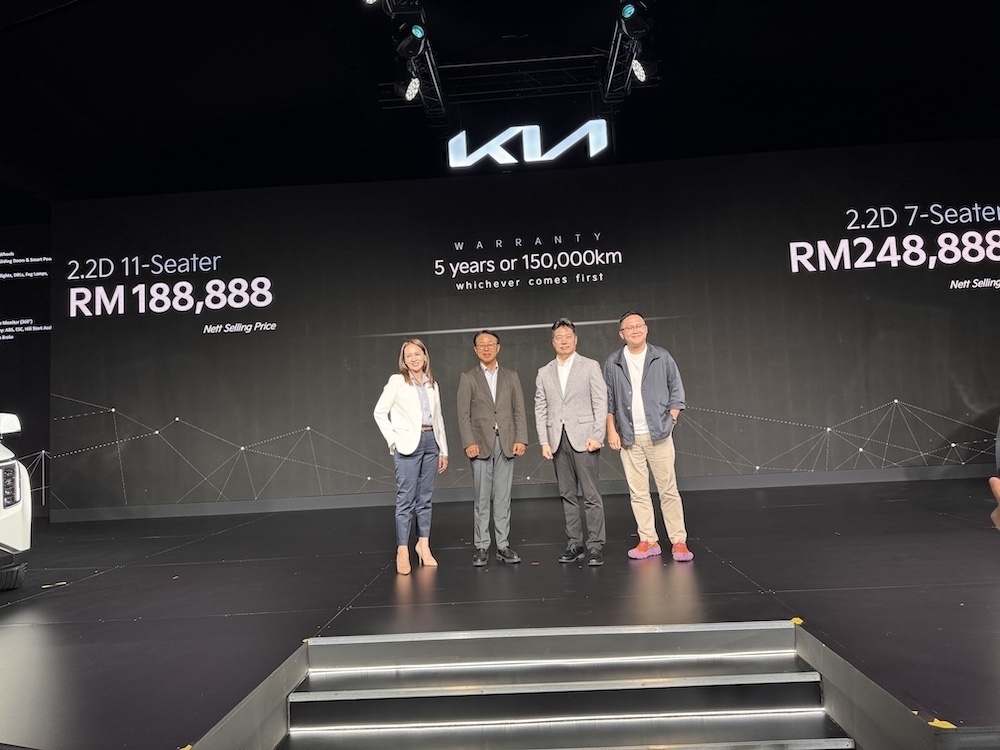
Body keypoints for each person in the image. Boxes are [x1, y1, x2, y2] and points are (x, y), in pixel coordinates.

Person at [604, 311, 694, 562]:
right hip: (628, 436)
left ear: (646, 329)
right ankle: (648, 540)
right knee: (638, 493)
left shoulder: (661, 356)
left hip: (659, 435)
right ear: (621, 334)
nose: (635, 330)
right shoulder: (613, 362)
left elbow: (677, 392)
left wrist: (670, 420)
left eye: (638, 325)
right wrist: (611, 430)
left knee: (668, 491)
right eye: (629, 327)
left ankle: (678, 541)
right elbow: (607, 400)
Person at [534, 318, 608, 566]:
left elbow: (600, 401)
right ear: (553, 342)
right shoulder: (544, 372)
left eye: (568, 337)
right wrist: (544, 441)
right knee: (567, 494)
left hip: (585, 439)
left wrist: (597, 435)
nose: (563, 341)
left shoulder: (590, 366)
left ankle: (595, 546)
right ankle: (574, 544)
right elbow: (540, 408)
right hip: (557, 440)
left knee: (590, 495)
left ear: (575, 340)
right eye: (559, 337)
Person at [373, 339, 448, 575]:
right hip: (408, 445)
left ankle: (423, 546)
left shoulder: (432, 384)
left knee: (425, 498)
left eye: (418, 354)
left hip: (431, 442)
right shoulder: (397, 382)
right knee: (406, 499)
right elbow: (379, 412)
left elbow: (438, 418)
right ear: (403, 360)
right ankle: (402, 550)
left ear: (425, 357)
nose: (414, 359)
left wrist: (443, 450)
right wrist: (393, 440)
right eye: (409, 355)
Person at [457, 329, 528, 566]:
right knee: (481, 498)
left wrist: (521, 438)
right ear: (475, 350)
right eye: (481, 345)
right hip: (479, 445)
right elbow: (463, 414)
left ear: (498, 347)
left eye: (490, 344)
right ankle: (481, 546)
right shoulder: (468, 377)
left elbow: (519, 410)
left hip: (506, 442)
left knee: (503, 497)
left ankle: (503, 545)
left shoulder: (511, 376)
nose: (486, 348)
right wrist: (469, 442)